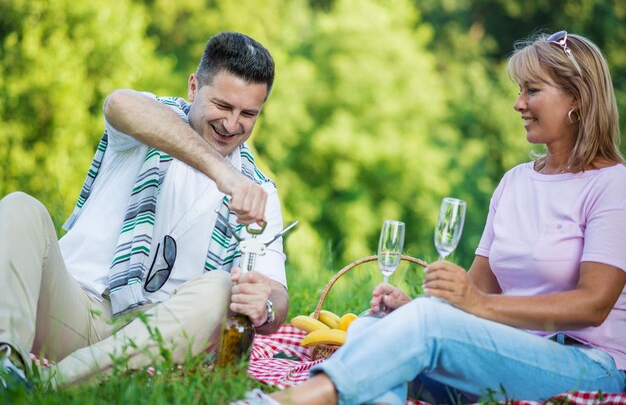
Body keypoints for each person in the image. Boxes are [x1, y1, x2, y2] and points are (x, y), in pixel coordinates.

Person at [236, 30, 626, 405]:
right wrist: (412, 312)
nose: (518, 104)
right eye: (519, 90)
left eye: (532, 90)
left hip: (587, 364)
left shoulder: (613, 184)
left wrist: (473, 306)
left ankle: (294, 400)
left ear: (576, 97)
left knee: (418, 325)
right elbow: (477, 290)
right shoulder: (515, 182)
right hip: (503, 353)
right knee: (370, 329)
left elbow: (592, 305)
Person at [0, 31, 289, 389]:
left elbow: (277, 290)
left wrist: (268, 306)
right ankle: (6, 362)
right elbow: (119, 103)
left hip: (147, 340)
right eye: (223, 106)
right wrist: (224, 175)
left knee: (221, 289)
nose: (232, 125)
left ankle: (48, 385)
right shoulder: (153, 118)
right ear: (194, 87)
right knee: (19, 208)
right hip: (71, 306)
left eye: (248, 114)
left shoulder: (261, 191)